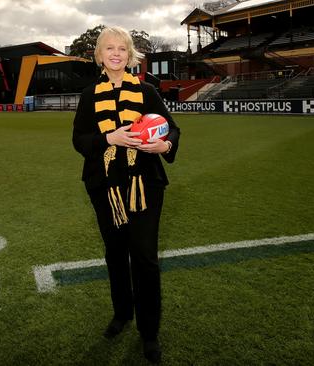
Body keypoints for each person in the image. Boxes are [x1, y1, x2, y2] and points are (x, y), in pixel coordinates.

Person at [72, 26, 180, 364]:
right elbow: (79, 140)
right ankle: (122, 314)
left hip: (144, 185)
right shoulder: (90, 95)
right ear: (100, 55)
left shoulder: (147, 90)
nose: (116, 53)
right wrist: (110, 140)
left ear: (129, 55)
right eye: (109, 48)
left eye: (122, 48)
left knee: (145, 258)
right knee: (115, 254)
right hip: (105, 188)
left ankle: (149, 332)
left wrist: (165, 144)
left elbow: (172, 128)